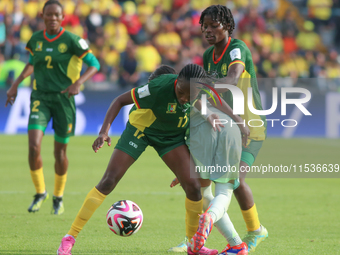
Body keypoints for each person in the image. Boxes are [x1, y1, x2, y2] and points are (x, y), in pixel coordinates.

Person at [56, 64, 219, 255]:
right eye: (181, 92)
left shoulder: (197, 89)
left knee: (193, 186)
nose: (184, 98)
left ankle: (194, 246)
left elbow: (196, 101)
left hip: (170, 137)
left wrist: (208, 115)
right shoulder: (157, 87)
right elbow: (119, 100)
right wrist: (104, 132)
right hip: (140, 130)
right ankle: (69, 238)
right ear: (177, 82)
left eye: (189, 96)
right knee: (108, 181)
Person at [170, 5, 268, 253]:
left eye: (215, 25)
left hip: (248, 125)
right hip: (220, 127)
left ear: (227, 26)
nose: (209, 30)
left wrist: (203, 87)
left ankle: (255, 231)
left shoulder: (237, 48)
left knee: (235, 182)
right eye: (205, 26)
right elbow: (206, 99)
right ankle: (194, 238)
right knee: (198, 184)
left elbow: (233, 78)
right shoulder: (206, 56)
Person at [5, 0, 100, 215]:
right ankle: (40, 192)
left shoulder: (73, 41)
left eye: (57, 15)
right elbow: (32, 63)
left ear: (62, 17)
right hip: (40, 97)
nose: (53, 18)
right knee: (33, 146)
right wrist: (15, 84)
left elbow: (95, 64)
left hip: (64, 101)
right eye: (49, 15)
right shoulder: (36, 39)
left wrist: (78, 83)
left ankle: (58, 196)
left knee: (60, 153)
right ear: (42, 15)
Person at [150, 66, 250, 255]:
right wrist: (238, 121)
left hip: (207, 132)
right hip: (227, 128)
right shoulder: (195, 90)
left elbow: (179, 140)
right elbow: (214, 100)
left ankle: (208, 219)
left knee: (207, 194)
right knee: (219, 192)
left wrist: (182, 170)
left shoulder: (175, 100)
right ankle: (236, 245)